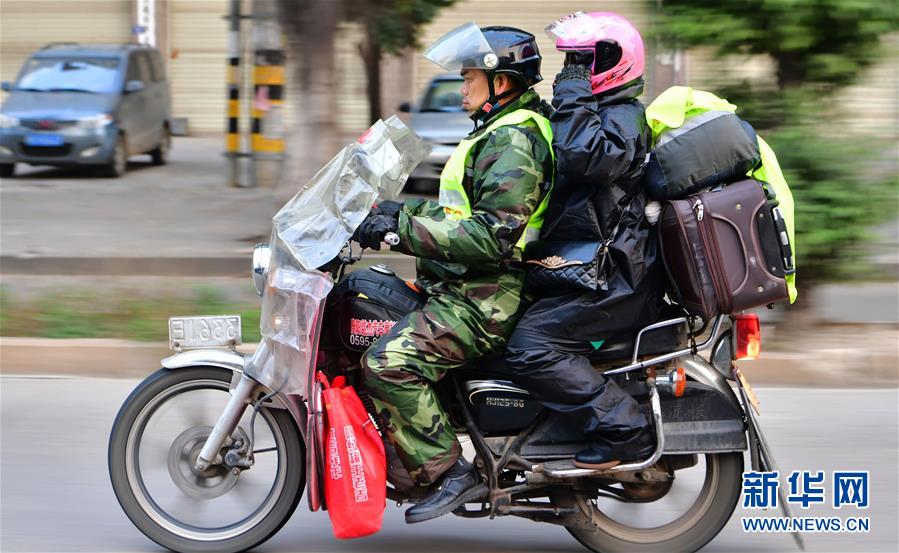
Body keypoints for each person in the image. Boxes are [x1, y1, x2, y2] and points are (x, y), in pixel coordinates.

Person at [353, 24, 554, 523]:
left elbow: (491, 236)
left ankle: (449, 473)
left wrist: (399, 230)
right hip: (465, 286)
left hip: (485, 299)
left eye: (469, 78)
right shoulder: (499, 131)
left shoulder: (515, 141)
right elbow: (462, 212)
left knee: (386, 364)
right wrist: (392, 210)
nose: (461, 87)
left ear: (501, 83)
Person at [505, 12, 666, 470]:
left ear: (612, 61)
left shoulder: (623, 117)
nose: (570, 71)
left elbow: (583, 157)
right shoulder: (603, 113)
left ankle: (625, 430)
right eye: (570, 62)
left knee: (530, 346)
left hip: (616, 280)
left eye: (581, 61)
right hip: (591, 268)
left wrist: (573, 91)